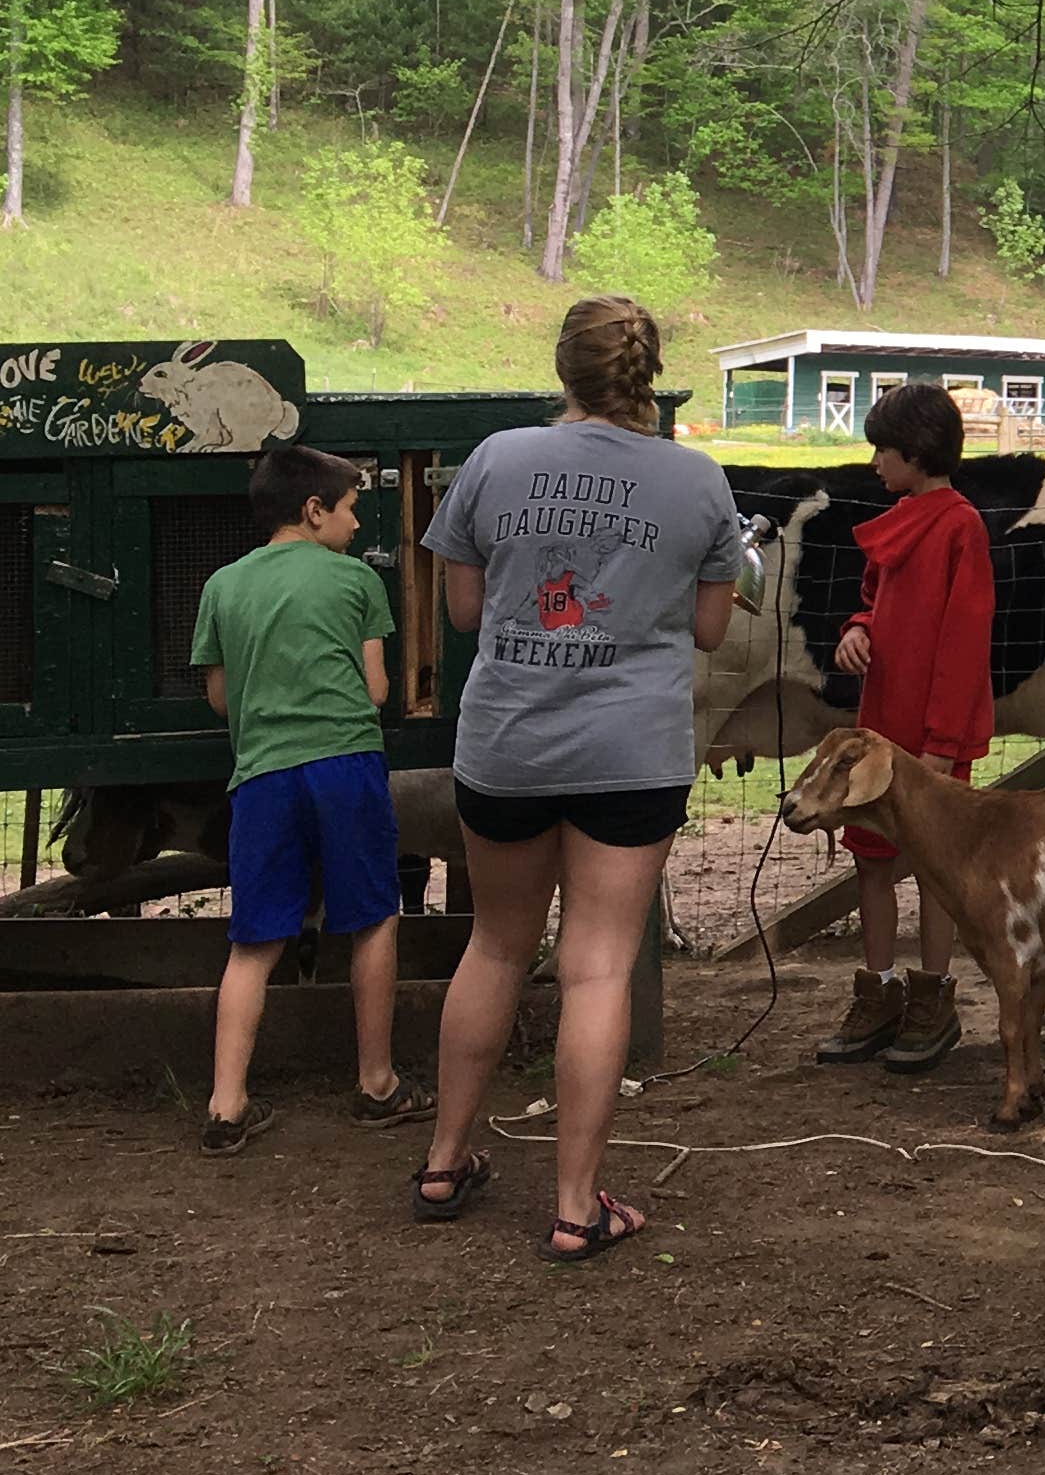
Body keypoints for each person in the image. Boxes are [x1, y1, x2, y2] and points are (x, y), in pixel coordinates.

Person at [411, 296, 751, 1260]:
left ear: (564, 371)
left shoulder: (495, 458)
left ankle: (444, 1160)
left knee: (496, 948)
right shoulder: (696, 479)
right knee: (599, 964)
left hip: (508, 745)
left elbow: (467, 611)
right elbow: (713, 629)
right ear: (648, 376)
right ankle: (574, 1205)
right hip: (630, 754)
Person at [191, 441, 420, 1151]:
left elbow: (221, 699)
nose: (356, 525)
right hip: (346, 765)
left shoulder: (222, 586)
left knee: (255, 938)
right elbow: (378, 690)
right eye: (350, 509)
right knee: (374, 918)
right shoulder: (355, 582)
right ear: (314, 510)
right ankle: (377, 1083)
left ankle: (226, 1105)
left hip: (262, 776)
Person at [812, 384, 997, 1077]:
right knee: (872, 857)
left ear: (915, 453)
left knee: (936, 870)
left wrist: (943, 747)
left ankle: (934, 998)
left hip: (930, 736)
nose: (875, 464)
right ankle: (880, 989)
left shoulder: (960, 526)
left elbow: (964, 639)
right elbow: (870, 602)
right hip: (881, 723)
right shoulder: (899, 519)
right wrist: (857, 630)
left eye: (882, 451)